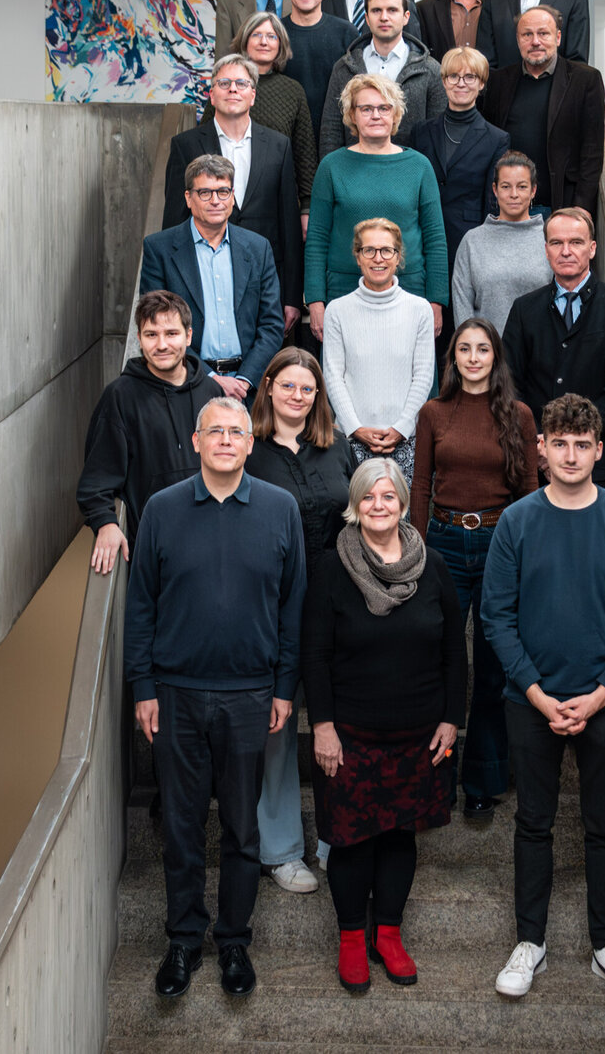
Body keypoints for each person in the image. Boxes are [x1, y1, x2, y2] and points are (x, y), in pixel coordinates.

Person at [125, 396, 306, 999]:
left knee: (241, 829)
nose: (226, 439)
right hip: (175, 695)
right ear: (196, 442)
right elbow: (141, 604)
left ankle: (233, 941)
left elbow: (292, 607)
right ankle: (182, 939)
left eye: (236, 431)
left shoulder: (280, 509)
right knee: (179, 825)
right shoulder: (162, 508)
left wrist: (284, 687)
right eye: (215, 431)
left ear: (250, 443)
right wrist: (143, 687)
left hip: (251, 697)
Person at [481, 393, 605, 1003]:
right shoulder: (518, 521)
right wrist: (536, 694)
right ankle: (530, 941)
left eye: (583, 444)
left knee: (603, 827)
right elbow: (497, 618)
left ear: (599, 451)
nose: (571, 454)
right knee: (532, 823)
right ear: (542, 449)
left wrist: (599, 694)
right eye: (560, 443)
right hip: (529, 703)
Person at [302, 458, 466, 993]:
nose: (379, 505)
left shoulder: (433, 566)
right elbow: (316, 654)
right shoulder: (332, 567)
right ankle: (352, 938)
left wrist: (451, 720)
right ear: (356, 503)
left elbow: (453, 654)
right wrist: (321, 726)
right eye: (369, 497)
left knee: (399, 838)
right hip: (349, 736)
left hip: (419, 735)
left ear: (402, 503)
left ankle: (388, 936)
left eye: (388, 496)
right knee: (350, 841)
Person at [411, 317, 539, 818]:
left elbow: (530, 489)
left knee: (491, 668)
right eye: (463, 349)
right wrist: (417, 549)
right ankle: (436, 775)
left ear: (495, 357)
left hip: (499, 543)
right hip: (441, 543)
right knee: (439, 663)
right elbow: (420, 485)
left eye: (481, 349)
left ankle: (483, 781)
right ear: (453, 358)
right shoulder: (433, 413)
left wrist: (527, 553)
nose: (471, 357)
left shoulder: (520, 416)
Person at [245, 346, 357, 891]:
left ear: (319, 396)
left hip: (339, 611)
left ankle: (338, 839)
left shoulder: (337, 450)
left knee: (337, 723)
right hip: (272, 611)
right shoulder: (249, 450)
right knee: (278, 725)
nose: (297, 395)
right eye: (287, 386)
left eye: (307, 388)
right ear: (267, 389)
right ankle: (282, 849)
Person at [502, 208, 605, 495]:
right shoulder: (523, 309)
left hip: (599, 468)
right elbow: (508, 385)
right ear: (546, 250)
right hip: (535, 463)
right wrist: (541, 445)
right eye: (556, 243)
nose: (566, 251)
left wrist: (570, 443)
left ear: (591, 249)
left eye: (576, 242)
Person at [77, 290, 218, 571]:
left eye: (171, 333)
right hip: (154, 554)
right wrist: (105, 522)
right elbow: (97, 479)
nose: (162, 344)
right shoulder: (119, 397)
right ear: (139, 339)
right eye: (151, 335)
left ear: (188, 336)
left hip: (214, 543)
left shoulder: (211, 392)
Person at [305, 75, 448, 343]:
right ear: (352, 115)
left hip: (409, 289)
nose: (376, 115)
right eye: (366, 109)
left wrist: (436, 300)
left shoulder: (419, 166)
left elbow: (436, 240)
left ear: (395, 115)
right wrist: (315, 300)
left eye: (384, 108)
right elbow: (316, 239)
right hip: (344, 291)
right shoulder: (332, 167)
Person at [162, 57, 303, 325]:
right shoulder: (185, 145)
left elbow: (289, 225)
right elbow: (174, 221)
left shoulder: (278, 145)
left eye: (241, 83)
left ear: (253, 95)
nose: (233, 89)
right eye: (224, 83)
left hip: (263, 281)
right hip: (202, 280)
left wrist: (292, 297)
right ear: (212, 95)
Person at [142, 155, 284, 404]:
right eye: (205, 192)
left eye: (223, 191)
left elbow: (271, 325)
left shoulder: (258, 248)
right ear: (188, 198)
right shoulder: (159, 249)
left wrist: (244, 380)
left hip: (247, 390)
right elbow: (156, 326)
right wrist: (207, 377)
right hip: (185, 383)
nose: (215, 200)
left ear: (232, 196)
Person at [409, 46, 509, 352]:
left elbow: (492, 200)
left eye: (470, 77)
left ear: (481, 84)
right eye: (454, 76)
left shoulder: (496, 138)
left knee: (460, 329)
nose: (461, 83)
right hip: (422, 241)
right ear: (443, 81)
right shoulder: (421, 133)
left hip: (467, 243)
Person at [322, 221, 435, 486]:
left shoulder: (419, 310)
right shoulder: (337, 311)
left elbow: (423, 374)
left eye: (386, 251)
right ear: (357, 256)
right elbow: (333, 375)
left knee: (402, 524)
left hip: (406, 440)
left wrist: (401, 428)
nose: (378, 259)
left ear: (398, 257)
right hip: (351, 441)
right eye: (369, 250)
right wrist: (355, 428)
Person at [482, 5, 605, 219]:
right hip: (508, 210)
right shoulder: (499, 82)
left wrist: (582, 206)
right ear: (518, 40)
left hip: (560, 208)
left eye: (543, 33)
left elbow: (592, 151)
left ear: (558, 37)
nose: (535, 41)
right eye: (527, 34)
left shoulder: (585, 80)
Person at [319, 0, 444, 157]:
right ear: (367, 18)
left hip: (408, 175)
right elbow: (331, 131)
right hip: (354, 173)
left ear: (406, 17)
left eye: (392, 10)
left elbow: (437, 135)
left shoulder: (430, 70)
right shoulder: (345, 68)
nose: (384, 17)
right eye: (376, 10)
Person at [231, 12, 317, 227]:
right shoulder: (227, 85)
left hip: (277, 198)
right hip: (229, 197)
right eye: (256, 35)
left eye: (271, 36)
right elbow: (206, 138)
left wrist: (306, 207)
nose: (263, 42)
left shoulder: (292, 90)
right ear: (245, 40)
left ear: (280, 44)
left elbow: (304, 153)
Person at [451, 151, 552, 335]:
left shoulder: (550, 239)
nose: (514, 194)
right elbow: (462, 306)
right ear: (495, 190)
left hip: (540, 355)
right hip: (488, 356)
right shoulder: (473, 241)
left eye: (522, 186)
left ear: (533, 190)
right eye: (506, 186)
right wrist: (474, 350)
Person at [282, 0, 357, 151]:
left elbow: (356, 93)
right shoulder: (274, 34)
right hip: (286, 141)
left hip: (337, 140)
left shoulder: (346, 33)